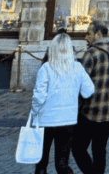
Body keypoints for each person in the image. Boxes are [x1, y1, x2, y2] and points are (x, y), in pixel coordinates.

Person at [30, 32, 95, 174]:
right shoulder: (77, 67)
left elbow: (39, 97)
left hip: (46, 120)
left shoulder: (46, 68)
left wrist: (34, 113)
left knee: (41, 162)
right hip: (67, 120)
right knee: (62, 163)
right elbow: (89, 90)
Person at [72, 20, 109, 174]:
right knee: (99, 149)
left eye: (88, 33)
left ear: (97, 34)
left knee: (77, 148)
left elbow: (82, 84)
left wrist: (77, 106)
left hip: (92, 111)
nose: (86, 37)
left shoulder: (91, 53)